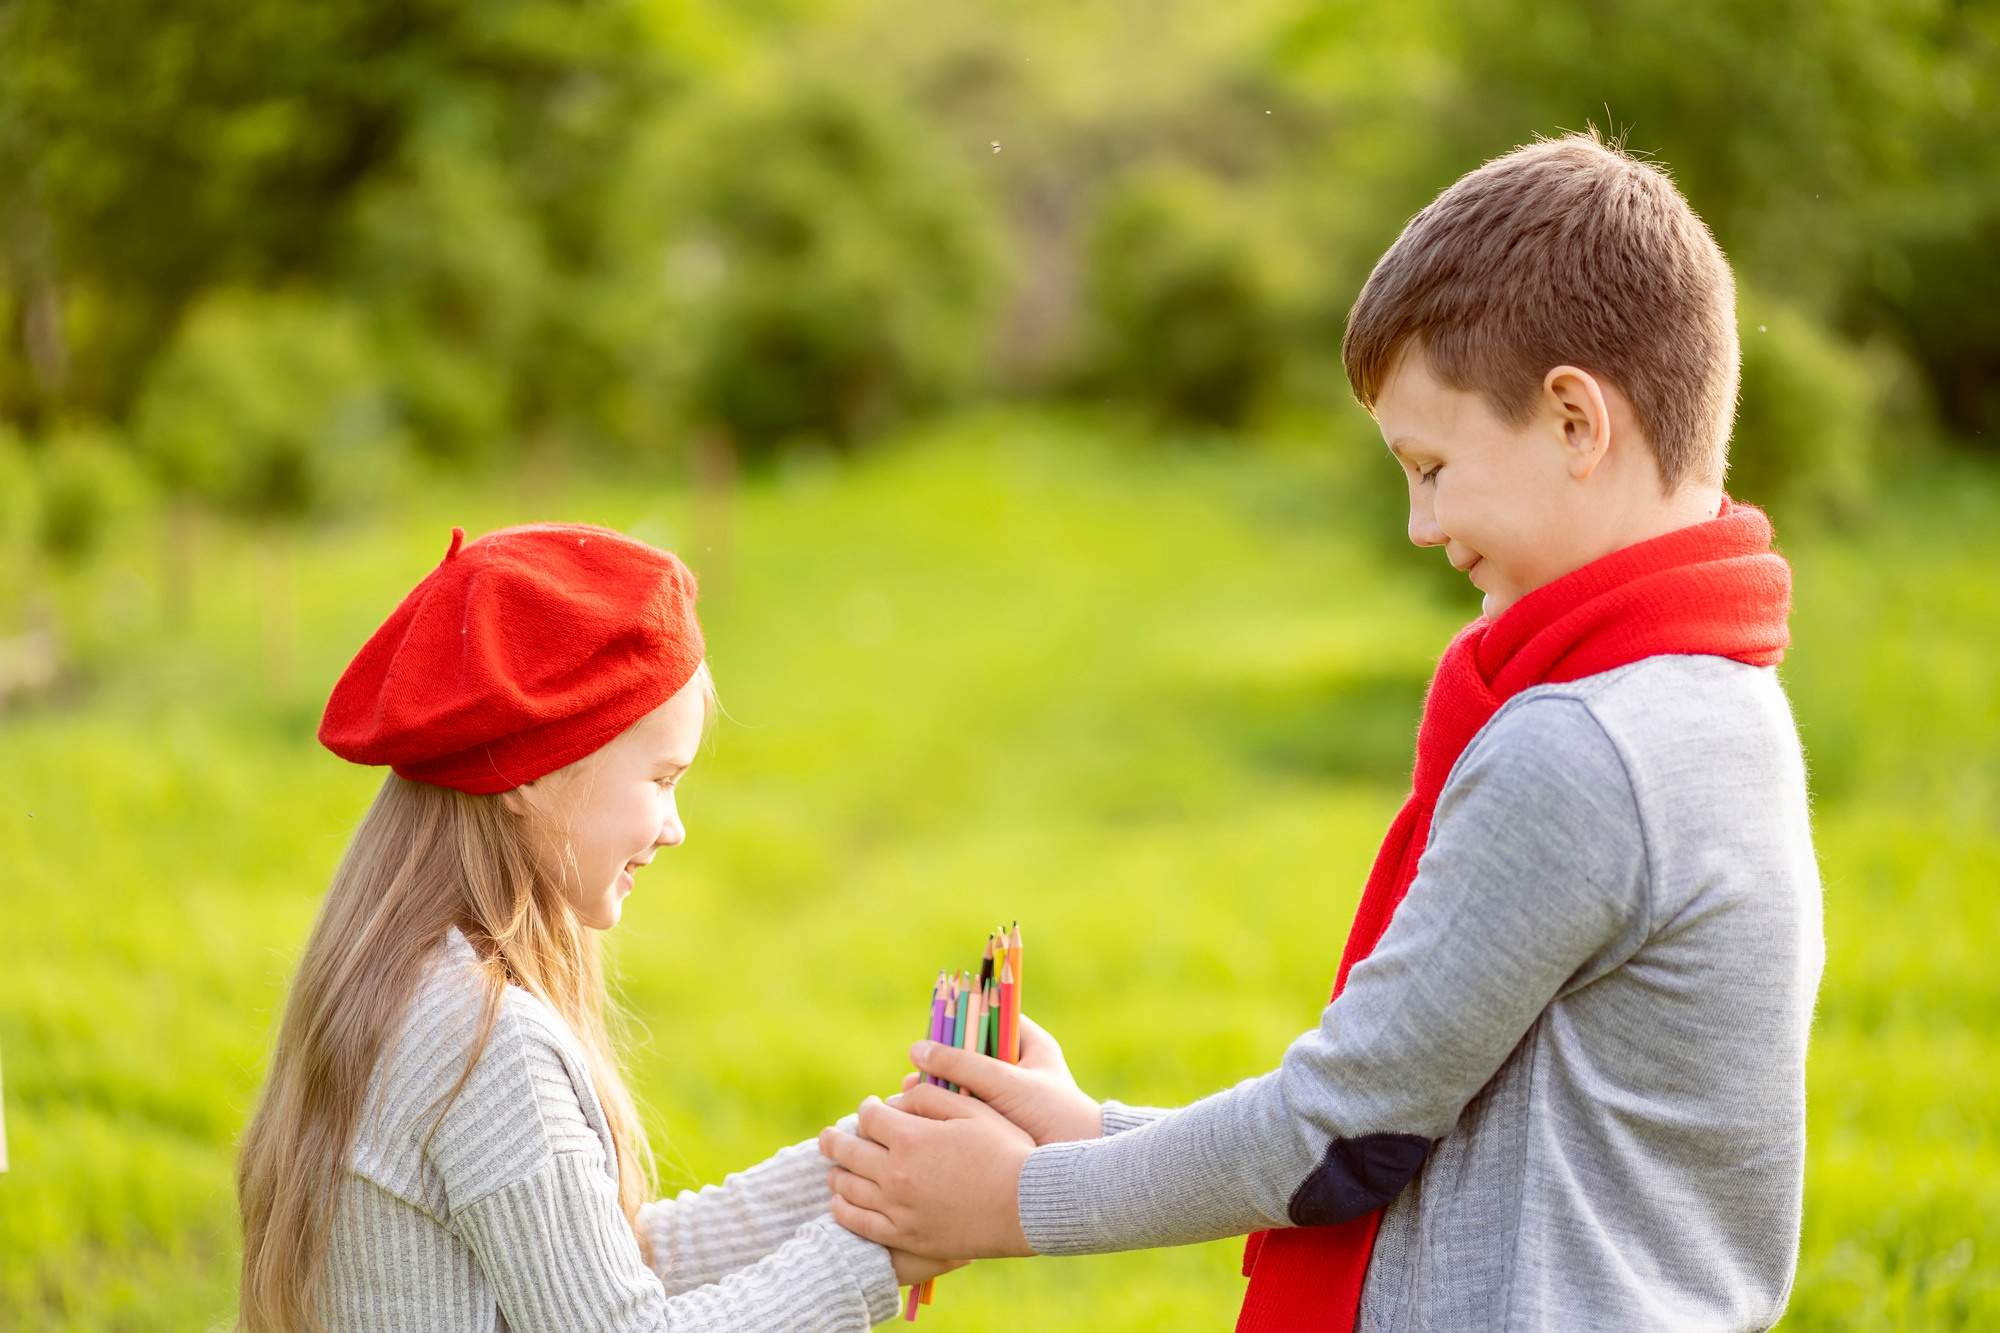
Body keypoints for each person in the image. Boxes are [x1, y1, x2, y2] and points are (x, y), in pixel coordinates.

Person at [818, 132, 1824, 1331]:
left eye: (1432, 464)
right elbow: (1413, 1125)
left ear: (1571, 421)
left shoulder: (1578, 750)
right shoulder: (1719, 704)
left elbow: (1342, 1130)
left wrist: (1016, 1200)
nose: (1416, 520)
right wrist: (1089, 1133)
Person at [236, 523, 953, 1332]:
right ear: (532, 772)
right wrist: (877, 1256)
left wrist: (869, 1164)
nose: (676, 827)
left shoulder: (420, 982)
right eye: (661, 778)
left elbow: (607, 1263)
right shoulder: (481, 1041)